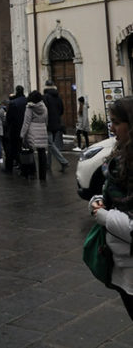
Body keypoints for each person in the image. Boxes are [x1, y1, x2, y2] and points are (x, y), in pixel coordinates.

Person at [89, 96, 133, 320]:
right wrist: (97, 201)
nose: (112, 128)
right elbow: (108, 193)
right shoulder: (118, 159)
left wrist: (103, 216)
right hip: (122, 265)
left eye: (116, 122)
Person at [20, 90, 48, 181]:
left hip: (32, 131)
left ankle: (32, 172)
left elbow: (26, 123)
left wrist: (22, 134)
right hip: (42, 130)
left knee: (30, 151)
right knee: (42, 153)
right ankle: (42, 175)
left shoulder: (29, 108)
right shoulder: (44, 107)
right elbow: (46, 120)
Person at [43, 80, 69, 173]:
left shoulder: (45, 97)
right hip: (57, 123)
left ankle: (63, 161)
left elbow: (44, 111)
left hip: (48, 123)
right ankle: (48, 164)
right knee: (51, 144)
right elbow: (62, 110)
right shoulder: (58, 97)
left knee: (50, 144)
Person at [4, 86, 27, 173]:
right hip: (25, 128)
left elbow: (9, 118)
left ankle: (9, 168)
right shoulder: (27, 101)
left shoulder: (13, 102)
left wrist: (7, 128)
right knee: (24, 147)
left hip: (15, 128)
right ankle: (25, 166)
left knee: (12, 148)